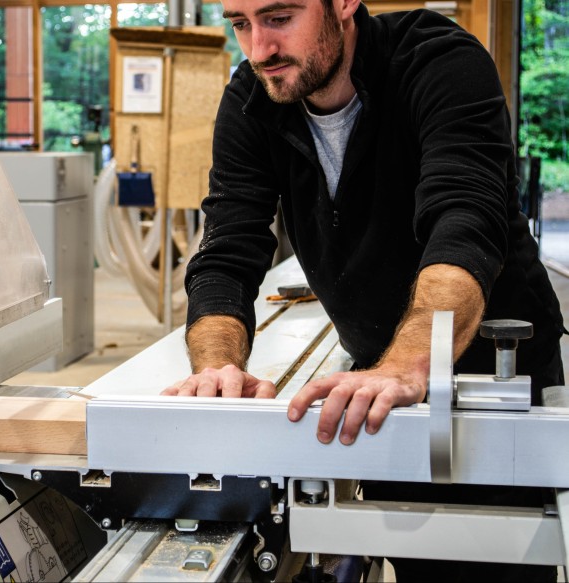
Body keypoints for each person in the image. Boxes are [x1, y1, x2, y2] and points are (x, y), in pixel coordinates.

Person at [163, 0, 565, 580]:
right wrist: (217, 367)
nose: (259, 49)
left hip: (496, 379)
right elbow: (227, 249)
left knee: (498, 564)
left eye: (279, 18)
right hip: (382, 376)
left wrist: (409, 363)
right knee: (416, 560)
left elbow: (465, 223)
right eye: (241, 24)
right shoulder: (254, 97)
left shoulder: (439, 60)